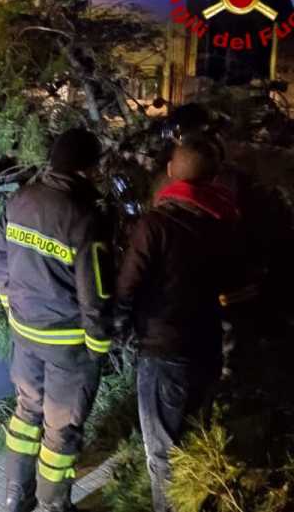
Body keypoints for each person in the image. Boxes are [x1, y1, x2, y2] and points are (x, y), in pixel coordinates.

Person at [0, 128, 113, 512]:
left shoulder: (20, 200)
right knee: (61, 428)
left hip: (24, 334)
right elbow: (95, 292)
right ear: (86, 169)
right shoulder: (85, 218)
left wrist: (10, 302)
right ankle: (54, 504)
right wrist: (98, 346)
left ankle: (15, 497)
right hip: (67, 345)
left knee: (26, 413)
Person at [114, 137, 239, 512]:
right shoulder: (224, 224)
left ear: (170, 172)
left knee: (164, 454)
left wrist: (118, 330)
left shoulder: (155, 225)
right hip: (207, 350)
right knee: (196, 442)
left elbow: (126, 287)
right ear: (213, 178)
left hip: (163, 352)